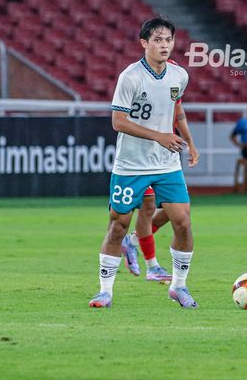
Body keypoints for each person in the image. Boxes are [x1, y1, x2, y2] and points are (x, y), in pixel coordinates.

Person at [89, 17, 199, 309]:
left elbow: (176, 109)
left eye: (169, 40)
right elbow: (118, 121)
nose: (164, 45)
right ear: (144, 43)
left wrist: (189, 141)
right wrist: (159, 136)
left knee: (183, 222)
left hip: (166, 163)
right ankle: (105, 291)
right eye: (158, 40)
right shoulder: (131, 77)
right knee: (119, 226)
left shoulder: (179, 76)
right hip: (131, 165)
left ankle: (178, 286)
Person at [121, 100, 198, 282]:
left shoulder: (175, 78)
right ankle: (152, 266)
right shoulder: (139, 78)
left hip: (166, 157)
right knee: (147, 206)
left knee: (178, 214)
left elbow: (178, 111)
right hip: (138, 157)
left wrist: (190, 142)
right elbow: (121, 118)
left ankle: (132, 241)